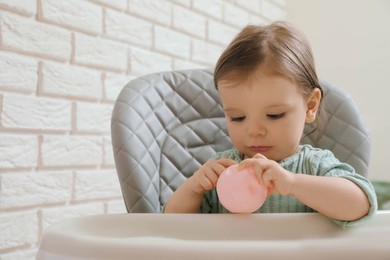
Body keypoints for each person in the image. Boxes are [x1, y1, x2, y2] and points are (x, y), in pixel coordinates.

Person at [164, 21, 377, 227]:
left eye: (274, 115)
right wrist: (194, 188)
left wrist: (293, 184)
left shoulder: (314, 166)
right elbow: (172, 223)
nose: (254, 131)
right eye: (237, 118)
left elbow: (361, 205)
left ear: (310, 106)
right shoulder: (223, 170)